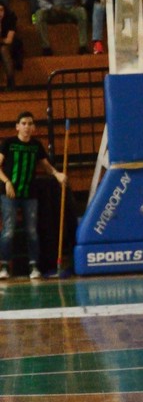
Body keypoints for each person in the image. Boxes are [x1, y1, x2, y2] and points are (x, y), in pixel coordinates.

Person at [0, 111, 67, 279]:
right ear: (17, 126)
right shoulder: (8, 143)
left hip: (30, 194)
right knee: (8, 230)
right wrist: (7, 182)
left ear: (34, 127)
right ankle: (4, 266)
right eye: (23, 123)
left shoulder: (36, 146)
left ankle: (34, 266)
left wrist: (57, 174)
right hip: (9, 195)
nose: (27, 127)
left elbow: (46, 166)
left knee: (31, 231)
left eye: (30, 124)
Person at [0, 1, 22, 88]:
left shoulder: (10, 18)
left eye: (1, 10)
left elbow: (9, 40)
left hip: (11, 46)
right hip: (2, 43)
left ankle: (10, 80)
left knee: (3, 50)